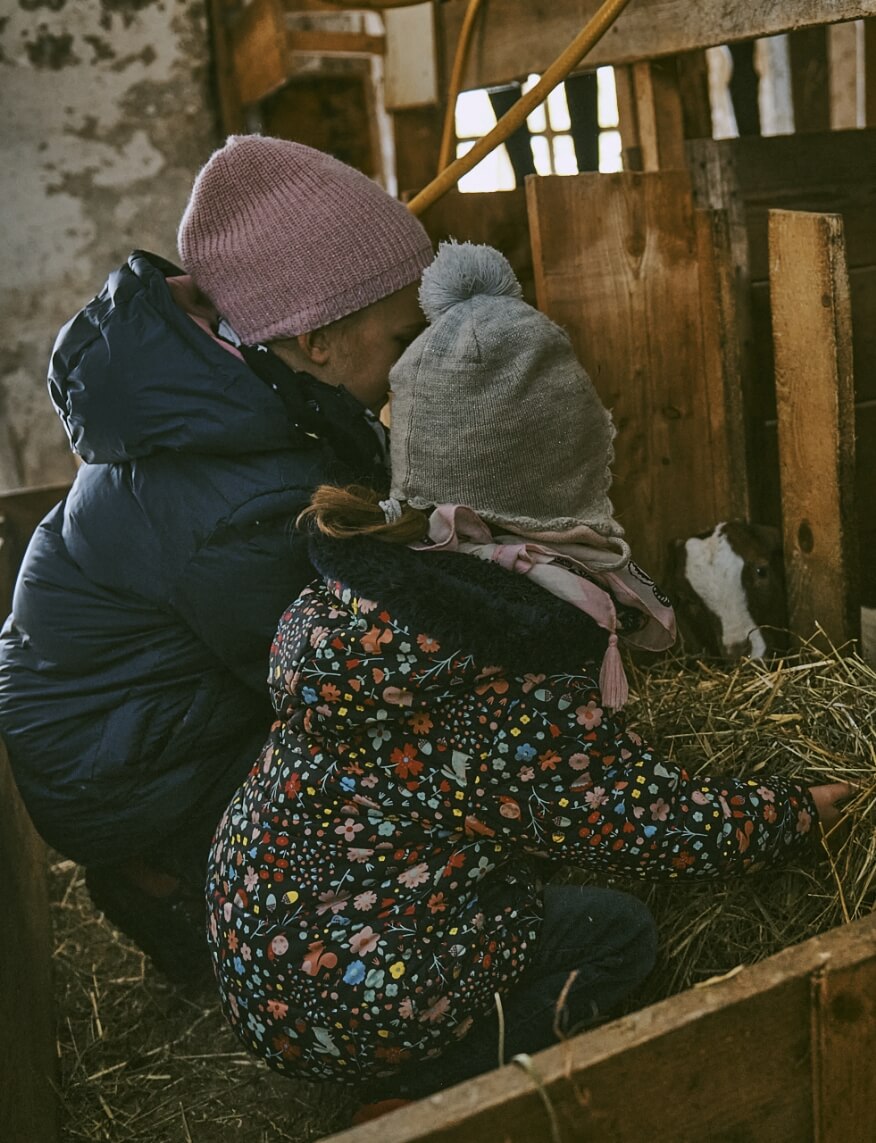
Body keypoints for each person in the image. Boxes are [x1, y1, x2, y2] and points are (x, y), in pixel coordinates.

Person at [205, 242, 852, 1111]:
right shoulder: (513, 648)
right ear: (566, 475)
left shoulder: (378, 579)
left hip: (256, 937)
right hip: (350, 991)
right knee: (617, 931)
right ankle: (434, 1092)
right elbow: (635, 821)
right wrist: (786, 810)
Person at [0, 135, 433, 985]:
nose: (413, 362)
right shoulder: (231, 497)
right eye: (403, 336)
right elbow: (321, 680)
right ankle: (176, 884)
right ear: (316, 342)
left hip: (130, 703)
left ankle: (179, 861)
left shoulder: (232, 400)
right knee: (373, 794)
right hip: (115, 764)